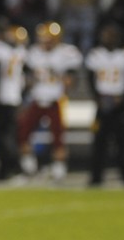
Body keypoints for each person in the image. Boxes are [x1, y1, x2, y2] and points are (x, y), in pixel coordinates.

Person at [17, 21, 83, 181]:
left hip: (56, 100)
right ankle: (29, 166)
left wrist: (60, 77)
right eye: (43, 38)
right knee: (23, 132)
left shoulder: (66, 53)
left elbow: (70, 81)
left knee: (58, 137)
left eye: (48, 38)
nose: (45, 42)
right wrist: (32, 80)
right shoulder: (33, 53)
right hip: (37, 98)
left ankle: (59, 169)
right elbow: (27, 79)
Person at [85, 24, 124, 187]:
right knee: (98, 141)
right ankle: (96, 177)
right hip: (102, 105)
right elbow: (90, 79)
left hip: (120, 104)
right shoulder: (96, 54)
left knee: (123, 142)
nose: (109, 38)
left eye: (111, 35)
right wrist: (97, 97)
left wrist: (123, 98)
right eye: (106, 35)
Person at [0, 23, 29, 180]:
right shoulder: (17, 52)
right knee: (7, 134)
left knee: (3, 136)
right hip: (14, 97)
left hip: (2, 98)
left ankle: (15, 167)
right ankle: (4, 170)